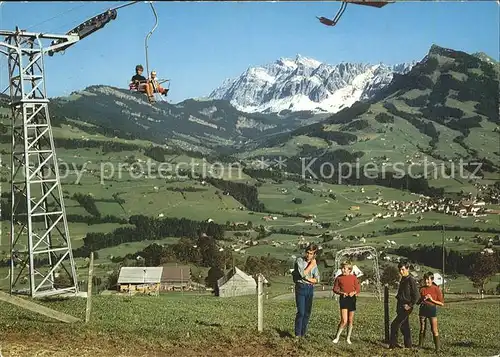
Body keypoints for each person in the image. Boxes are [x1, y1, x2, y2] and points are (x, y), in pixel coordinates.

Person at [292, 244, 320, 339]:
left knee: (307, 312)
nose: (308, 255)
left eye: (311, 254)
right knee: (301, 312)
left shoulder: (315, 264)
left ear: (314, 254)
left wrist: (307, 279)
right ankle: (297, 334)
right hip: (300, 287)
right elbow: (302, 274)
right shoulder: (300, 261)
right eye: (307, 253)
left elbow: (317, 279)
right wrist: (311, 265)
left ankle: (303, 334)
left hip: (309, 288)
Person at [389, 260, 419, 349]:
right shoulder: (403, 279)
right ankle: (408, 346)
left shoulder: (411, 280)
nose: (401, 272)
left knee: (394, 325)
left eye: (402, 269)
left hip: (406, 307)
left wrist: (410, 305)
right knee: (405, 327)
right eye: (399, 270)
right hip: (400, 305)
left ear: (407, 269)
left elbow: (416, 296)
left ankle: (392, 345)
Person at [332, 261, 361, 344]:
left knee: (350, 320)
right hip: (343, 299)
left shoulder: (354, 278)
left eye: (345, 268)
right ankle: (337, 337)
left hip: (351, 299)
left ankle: (348, 338)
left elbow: (358, 288)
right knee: (344, 320)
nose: (343, 270)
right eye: (342, 268)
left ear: (349, 270)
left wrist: (354, 292)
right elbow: (335, 289)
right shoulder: (338, 278)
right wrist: (341, 293)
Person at [418, 272, 444, 352]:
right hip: (423, 309)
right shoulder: (421, 289)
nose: (426, 281)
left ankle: (437, 348)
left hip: (432, 310)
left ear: (432, 280)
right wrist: (422, 299)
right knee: (422, 328)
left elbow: (442, 303)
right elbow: (417, 301)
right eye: (425, 279)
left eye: (428, 279)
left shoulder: (436, 289)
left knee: (434, 329)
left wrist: (431, 300)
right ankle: (420, 346)